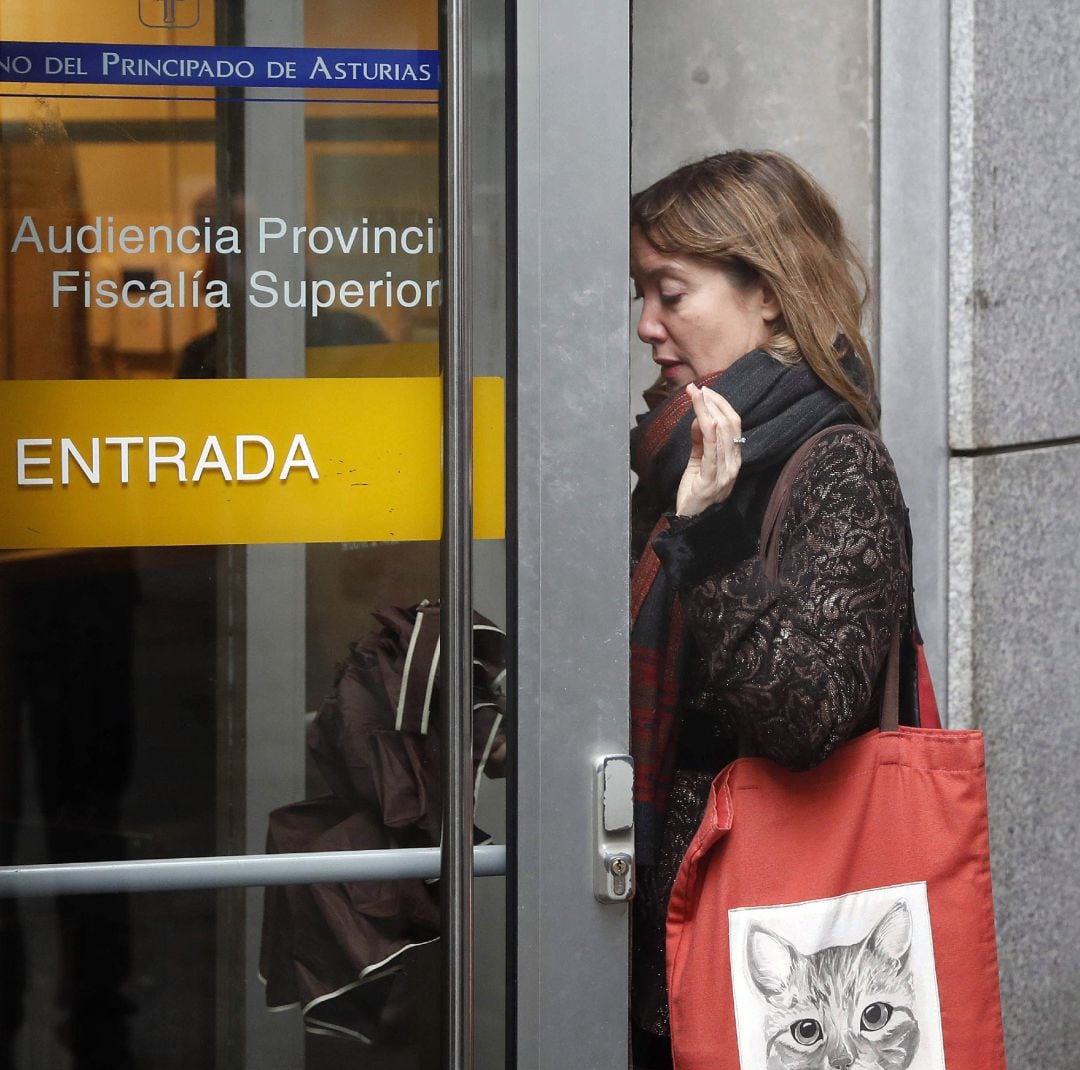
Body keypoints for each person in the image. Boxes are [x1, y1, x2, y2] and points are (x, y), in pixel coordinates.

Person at [627, 150, 912, 1069]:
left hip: (784, 944)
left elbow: (808, 711)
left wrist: (705, 538)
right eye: (641, 293)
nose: (646, 325)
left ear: (771, 295)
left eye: (671, 293)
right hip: (669, 909)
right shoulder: (677, 458)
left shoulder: (835, 460)